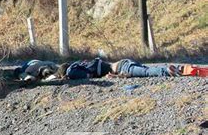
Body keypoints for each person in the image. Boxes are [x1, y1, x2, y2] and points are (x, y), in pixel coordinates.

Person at [57, 58, 186, 79]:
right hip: (123, 62)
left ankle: (167, 71)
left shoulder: (71, 70)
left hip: (122, 67)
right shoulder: (81, 63)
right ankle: (172, 68)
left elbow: (89, 77)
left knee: (146, 72)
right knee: (145, 69)